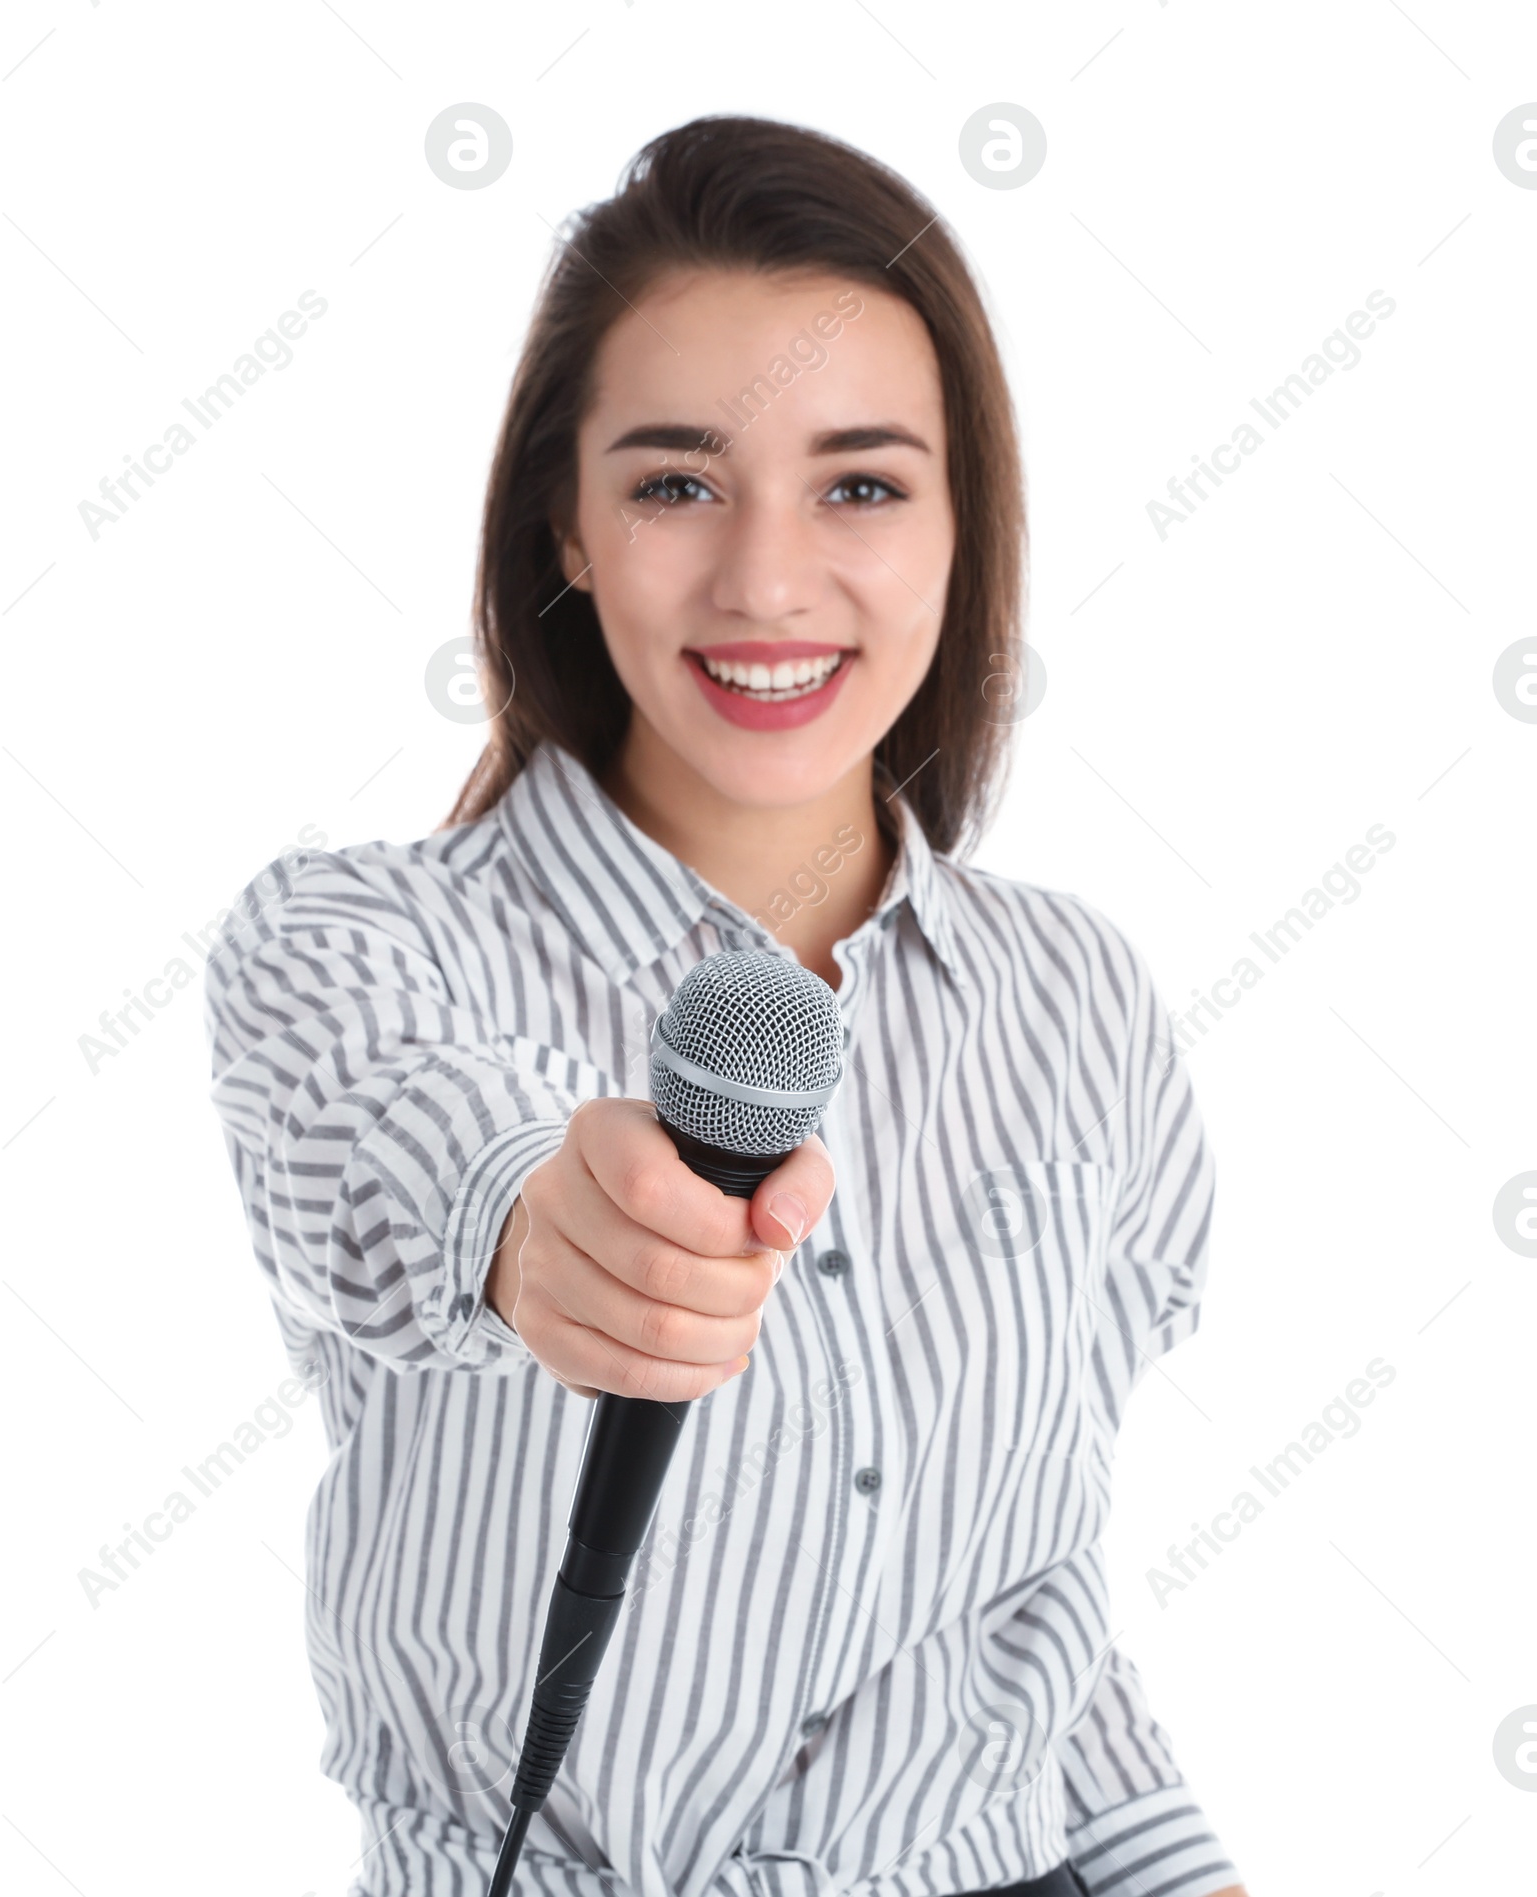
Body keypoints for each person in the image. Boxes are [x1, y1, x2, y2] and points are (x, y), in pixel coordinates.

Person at [204, 115, 1248, 1897]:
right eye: (678, 481)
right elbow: (410, 1151)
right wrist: (540, 1229)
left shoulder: (1080, 1004)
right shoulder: (349, 942)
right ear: (571, 526)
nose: (767, 581)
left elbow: (1020, 1609)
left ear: (960, 528)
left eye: (861, 483)